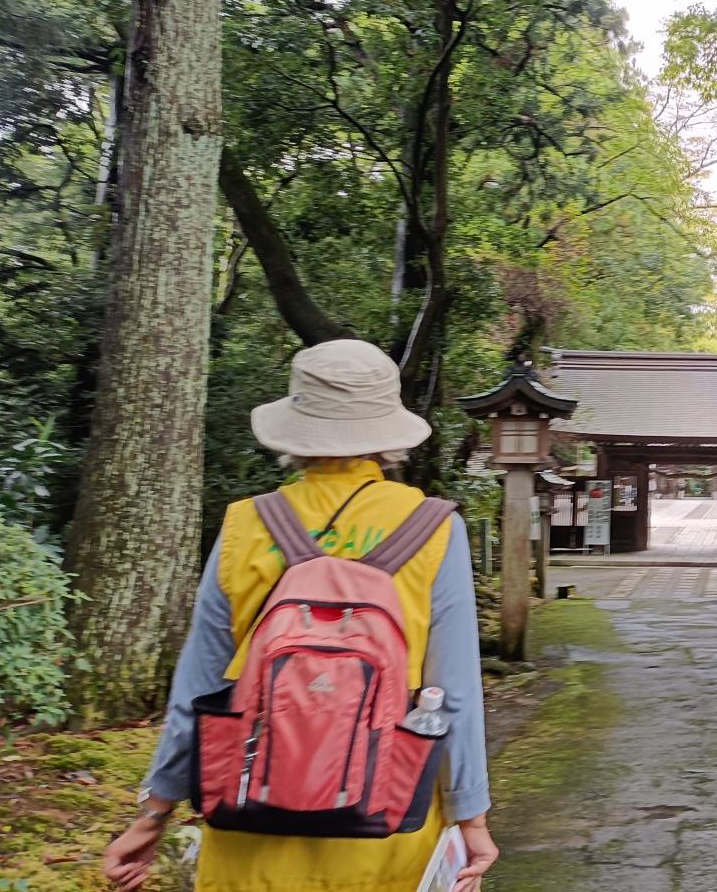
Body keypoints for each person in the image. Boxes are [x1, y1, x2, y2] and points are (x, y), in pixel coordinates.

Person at [102, 339, 499, 892]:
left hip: (249, 820)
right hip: (386, 823)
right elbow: (452, 690)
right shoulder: (434, 528)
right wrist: (471, 817)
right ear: (389, 436)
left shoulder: (247, 524)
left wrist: (155, 812)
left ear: (294, 431)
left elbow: (198, 687)